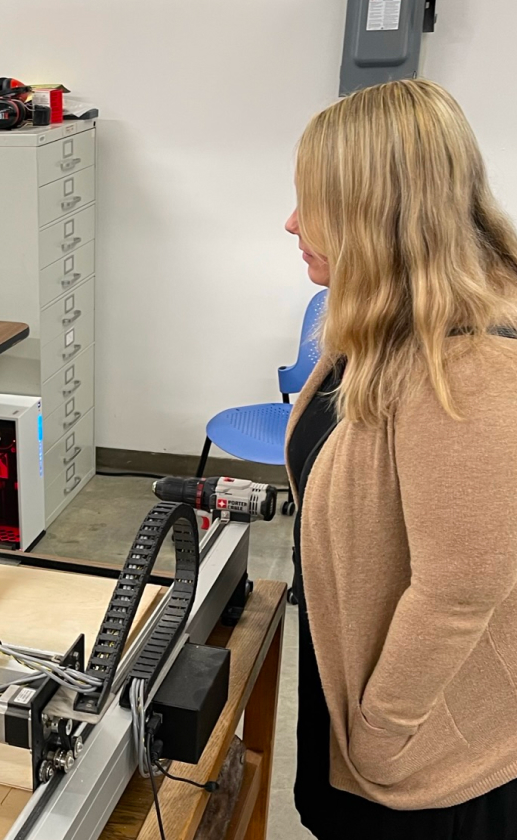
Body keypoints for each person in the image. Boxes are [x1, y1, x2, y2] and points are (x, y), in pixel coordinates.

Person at [284, 78, 517, 839]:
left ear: (374, 214)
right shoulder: (386, 323)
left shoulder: (471, 364)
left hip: (427, 760)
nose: (290, 224)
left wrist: (382, 735)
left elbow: (459, 589)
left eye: (310, 204)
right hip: (367, 696)